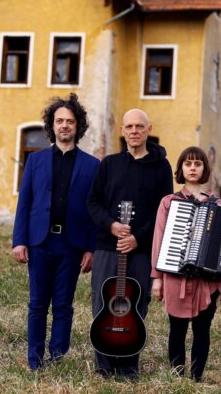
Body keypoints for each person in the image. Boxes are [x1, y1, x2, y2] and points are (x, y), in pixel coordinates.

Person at [12, 93, 100, 371]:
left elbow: (94, 210)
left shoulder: (93, 166)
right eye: (59, 120)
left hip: (72, 245)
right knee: (38, 304)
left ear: (78, 126)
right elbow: (24, 203)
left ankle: (58, 357)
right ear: (52, 125)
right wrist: (19, 241)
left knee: (64, 305)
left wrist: (91, 248)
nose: (64, 125)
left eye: (70, 121)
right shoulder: (35, 162)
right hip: (40, 242)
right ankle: (35, 360)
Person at [87, 108, 173, 378]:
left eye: (139, 126)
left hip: (142, 249)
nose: (134, 131)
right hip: (107, 247)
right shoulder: (109, 164)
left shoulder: (161, 167)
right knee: (102, 304)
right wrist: (112, 225)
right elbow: (93, 202)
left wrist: (138, 238)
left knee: (136, 305)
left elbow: (164, 210)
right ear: (122, 131)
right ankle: (103, 365)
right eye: (129, 127)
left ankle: (127, 366)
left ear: (149, 129)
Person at [150, 146, 221, 382]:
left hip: (207, 282)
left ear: (204, 169)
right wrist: (157, 279)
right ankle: (177, 378)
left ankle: (196, 379)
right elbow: (158, 239)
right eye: (188, 164)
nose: (193, 168)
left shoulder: (218, 204)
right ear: (181, 169)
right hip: (176, 279)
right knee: (176, 331)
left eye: (198, 164)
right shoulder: (169, 202)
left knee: (202, 331)